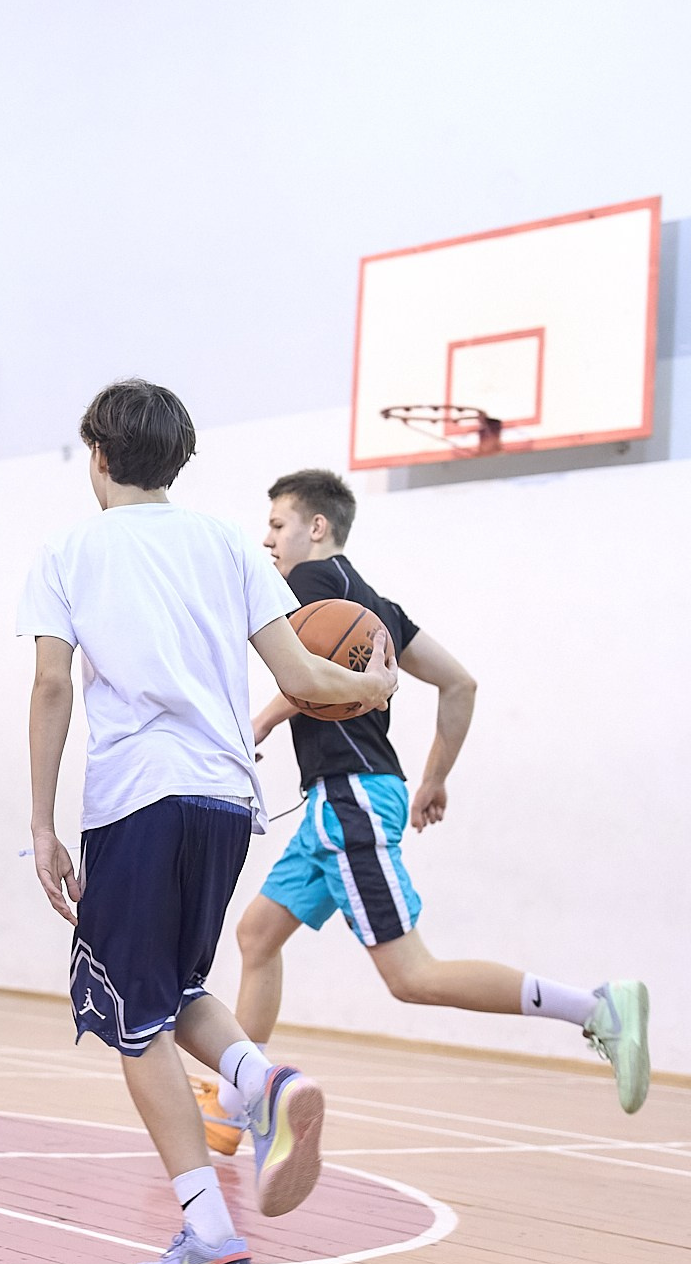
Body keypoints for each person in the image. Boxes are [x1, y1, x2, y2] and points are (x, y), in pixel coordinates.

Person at [23, 381, 397, 1264]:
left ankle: (214, 1236)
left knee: (126, 1014)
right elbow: (306, 671)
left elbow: (50, 690)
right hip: (229, 800)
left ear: (99, 458)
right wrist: (375, 686)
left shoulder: (68, 550)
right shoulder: (230, 543)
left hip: (139, 799)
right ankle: (257, 1079)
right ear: (178, 460)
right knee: (175, 988)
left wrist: (40, 823)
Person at [196, 468, 650, 1156]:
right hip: (349, 795)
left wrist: (254, 727)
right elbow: (459, 682)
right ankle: (237, 1105)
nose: (268, 539)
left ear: (317, 527)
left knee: (411, 976)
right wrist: (433, 778)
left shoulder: (312, 585)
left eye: (278, 524)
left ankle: (598, 1008)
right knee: (257, 935)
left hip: (350, 794)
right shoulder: (378, 602)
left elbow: (304, 676)